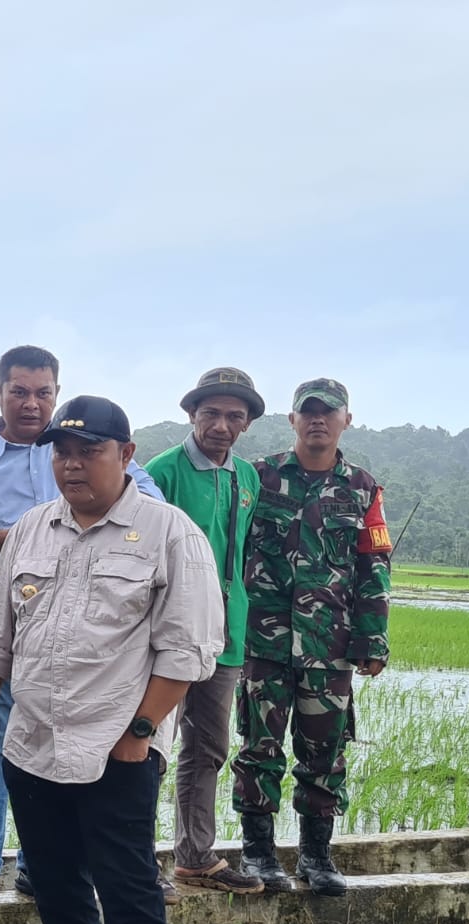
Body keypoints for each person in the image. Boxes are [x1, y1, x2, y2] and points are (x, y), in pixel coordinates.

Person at [0, 395, 223, 924]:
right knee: (56, 883)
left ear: (126, 455)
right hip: (32, 742)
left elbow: (190, 648)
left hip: (117, 749)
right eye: (61, 452)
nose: (71, 464)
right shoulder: (32, 531)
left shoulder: (169, 534)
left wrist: (139, 732)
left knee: (129, 894)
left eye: (89, 451)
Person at [0, 346, 165, 909]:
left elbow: (149, 509)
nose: (31, 404)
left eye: (43, 394)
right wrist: (22, 539)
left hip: (80, 628)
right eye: (19, 392)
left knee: (54, 738)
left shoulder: (86, 452)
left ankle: (42, 863)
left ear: (56, 395)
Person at [232, 379, 390, 896]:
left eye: (329, 412)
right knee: (259, 749)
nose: (318, 419)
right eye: (309, 411)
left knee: (325, 755)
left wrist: (372, 640)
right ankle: (257, 854)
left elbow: (374, 568)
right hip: (263, 643)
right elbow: (230, 550)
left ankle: (316, 857)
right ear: (293, 419)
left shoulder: (364, 488)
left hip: (331, 646)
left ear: (347, 419)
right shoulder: (257, 478)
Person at [145, 368, 266, 895]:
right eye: (211, 413)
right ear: (192, 414)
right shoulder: (161, 472)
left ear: (246, 423)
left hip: (227, 632)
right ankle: (133, 858)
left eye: (234, 416)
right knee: (145, 744)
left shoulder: (248, 478)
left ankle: (194, 856)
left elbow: (238, 554)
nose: (221, 425)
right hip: (166, 632)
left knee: (209, 746)